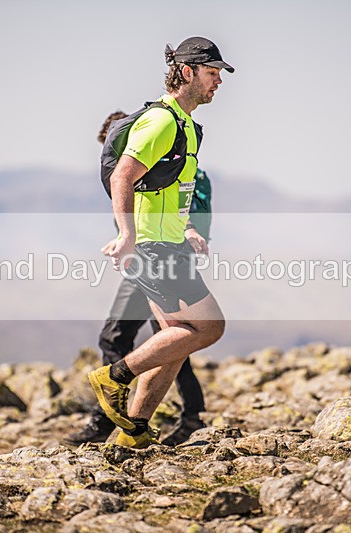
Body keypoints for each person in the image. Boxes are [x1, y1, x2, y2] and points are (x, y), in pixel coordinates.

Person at [86, 36, 233, 449]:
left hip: (170, 243)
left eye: (220, 73)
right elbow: (123, 176)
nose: (218, 81)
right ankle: (112, 377)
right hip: (153, 248)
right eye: (211, 72)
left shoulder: (185, 124)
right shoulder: (162, 120)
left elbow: (173, 189)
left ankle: (132, 433)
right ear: (186, 72)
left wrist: (187, 228)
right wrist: (127, 236)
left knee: (173, 342)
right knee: (210, 327)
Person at [65, 109, 214, 447]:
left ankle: (120, 413)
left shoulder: (170, 165)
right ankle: (139, 426)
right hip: (148, 257)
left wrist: (183, 231)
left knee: (164, 336)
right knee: (173, 337)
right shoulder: (161, 162)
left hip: (158, 257)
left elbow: (182, 208)